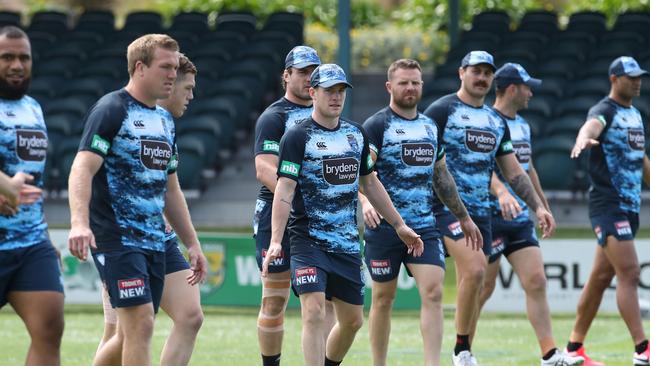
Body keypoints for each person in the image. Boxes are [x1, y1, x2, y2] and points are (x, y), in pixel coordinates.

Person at [262, 63, 424, 366]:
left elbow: (370, 183)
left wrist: (399, 224)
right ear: (313, 93)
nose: (336, 97)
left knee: (352, 322)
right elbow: (283, 191)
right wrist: (275, 240)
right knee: (313, 312)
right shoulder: (297, 137)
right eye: (329, 91)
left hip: (347, 244)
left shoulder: (355, 134)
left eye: (340, 91)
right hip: (307, 241)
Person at [68, 34, 205, 366]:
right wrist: (78, 223)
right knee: (140, 324)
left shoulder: (164, 122)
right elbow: (82, 167)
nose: (173, 75)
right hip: (116, 237)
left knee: (137, 330)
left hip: (155, 241)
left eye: (175, 67)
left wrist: (193, 243)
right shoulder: (111, 110)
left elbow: (170, 189)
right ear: (140, 68)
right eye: (165, 67)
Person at [423, 51, 554, 366]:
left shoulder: (496, 121)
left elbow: (514, 171)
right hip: (444, 209)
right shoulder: (441, 110)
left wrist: (538, 207)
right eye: (476, 72)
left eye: (486, 73)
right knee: (477, 269)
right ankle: (461, 352)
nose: (481, 78)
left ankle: (464, 348)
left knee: (480, 279)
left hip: (482, 212)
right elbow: (417, 154)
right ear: (461, 73)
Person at [360, 58, 481, 366]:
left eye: (415, 82)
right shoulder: (376, 126)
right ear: (390, 87)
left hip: (425, 227)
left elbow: (442, 176)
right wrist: (365, 202)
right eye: (403, 82)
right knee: (383, 299)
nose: (410, 88)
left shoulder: (429, 126)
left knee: (434, 293)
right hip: (385, 229)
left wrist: (463, 217)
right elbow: (360, 174)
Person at [474, 63, 584, 366]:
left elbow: (527, 168)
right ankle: (463, 349)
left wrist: (541, 206)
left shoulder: (523, 125)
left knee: (536, 280)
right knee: (483, 289)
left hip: (520, 219)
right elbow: (478, 167)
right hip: (490, 217)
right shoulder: (486, 121)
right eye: (526, 87)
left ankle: (550, 354)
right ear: (512, 89)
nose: (531, 93)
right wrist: (501, 191)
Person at [253, 45, 335, 366]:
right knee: (275, 301)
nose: (307, 78)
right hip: (278, 216)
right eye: (301, 71)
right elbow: (264, 169)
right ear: (286, 76)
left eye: (313, 71)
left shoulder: (328, 116)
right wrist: (301, 200)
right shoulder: (274, 117)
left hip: (322, 221)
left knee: (321, 303)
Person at [567, 56, 650, 366]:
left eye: (640, 76)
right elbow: (592, 125)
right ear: (614, 79)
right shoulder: (605, 110)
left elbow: (641, 159)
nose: (638, 81)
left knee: (600, 278)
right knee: (629, 272)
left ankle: (574, 348)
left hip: (629, 206)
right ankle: (643, 348)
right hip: (607, 204)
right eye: (631, 77)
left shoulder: (636, 115)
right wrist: (582, 138)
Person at [0, 25, 64, 366]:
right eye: (6, 57)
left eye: (23, 57)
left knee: (50, 326)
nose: (16, 65)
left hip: (30, 241)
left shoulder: (34, 108)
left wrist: (45, 235)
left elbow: (30, 180)